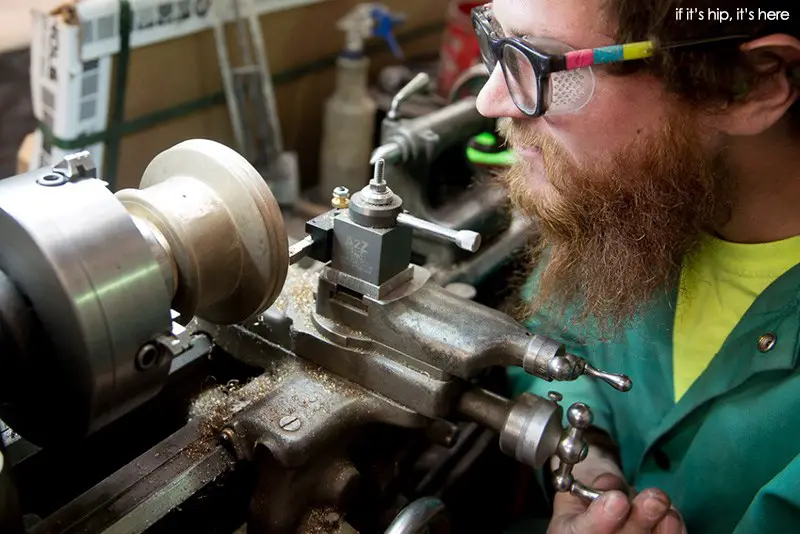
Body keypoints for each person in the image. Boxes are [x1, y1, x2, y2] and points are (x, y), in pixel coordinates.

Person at [472, 0, 800, 533]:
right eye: (496, 38)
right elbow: (555, 331)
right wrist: (585, 459)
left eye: (543, 61)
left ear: (747, 85)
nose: (490, 101)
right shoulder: (641, 200)